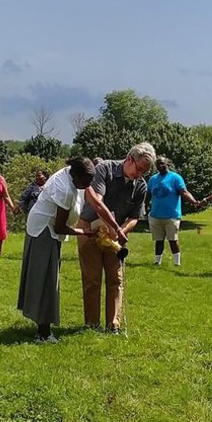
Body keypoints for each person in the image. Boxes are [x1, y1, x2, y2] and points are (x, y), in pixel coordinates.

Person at [76, 142, 156, 334]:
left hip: (115, 236)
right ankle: (91, 325)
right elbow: (97, 203)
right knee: (92, 279)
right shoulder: (104, 169)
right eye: (139, 169)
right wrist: (114, 227)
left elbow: (135, 217)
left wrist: (122, 230)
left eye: (144, 172)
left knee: (115, 279)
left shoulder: (141, 186)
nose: (140, 174)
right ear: (130, 159)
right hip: (89, 229)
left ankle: (114, 324)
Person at [18, 158, 96, 343]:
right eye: (85, 182)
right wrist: (85, 232)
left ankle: (41, 327)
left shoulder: (71, 175)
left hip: (46, 228)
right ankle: (43, 333)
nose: (88, 186)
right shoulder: (65, 189)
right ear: (75, 175)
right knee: (46, 279)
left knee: (45, 277)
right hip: (44, 231)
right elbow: (60, 227)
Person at [147, 156, 200, 266]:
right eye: (158, 165)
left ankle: (177, 262)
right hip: (156, 215)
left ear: (167, 164)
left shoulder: (175, 178)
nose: (160, 166)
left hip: (171, 215)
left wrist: (194, 202)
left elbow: (183, 192)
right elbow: (147, 195)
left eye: (162, 164)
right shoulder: (153, 179)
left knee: (173, 240)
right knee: (158, 240)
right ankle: (157, 261)